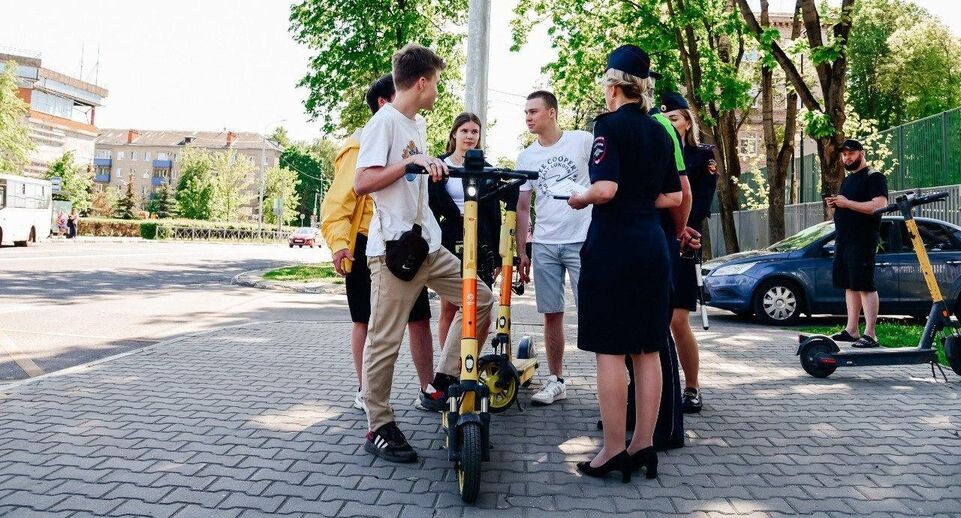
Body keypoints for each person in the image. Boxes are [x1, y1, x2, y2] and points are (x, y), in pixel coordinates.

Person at [354, 43, 495, 464]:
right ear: (421, 82)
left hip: (428, 247)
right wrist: (413, 165)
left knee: (481, 299)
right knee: (385, 341)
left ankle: (443, 380)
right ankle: (378, 425)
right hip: (395, 252)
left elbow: (414, 179)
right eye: (435, 82)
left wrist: (431, 166)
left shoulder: (415, 125)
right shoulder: (384, 123)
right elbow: (362, 182)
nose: (436, 90)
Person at [568, 44, 682, 482]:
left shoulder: (608, 125)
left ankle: (614, 449)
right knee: (648, 348)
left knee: (611, 350)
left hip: (614, 246)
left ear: (614, 87)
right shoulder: (660, 131)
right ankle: (643, 445)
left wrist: (581, 196)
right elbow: (673, 196)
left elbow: (606, 188)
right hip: (652, 246)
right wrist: (639, 197)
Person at [320, 73, 436, 414]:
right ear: (386, 103)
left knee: (419, 319)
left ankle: (428, 387)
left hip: (405, 244)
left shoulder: (408, 137)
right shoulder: (359, 146)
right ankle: (364, 390)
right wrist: (340, 245)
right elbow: (338, 204)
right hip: (364, 244)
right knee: (365, 321)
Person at [515, 90, 594, 406]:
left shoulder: (582, 141)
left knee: (595, 312)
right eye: (526, 113)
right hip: (546, 243)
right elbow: (523, 208)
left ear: (551, 112)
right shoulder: (526, 157)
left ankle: (613, 380)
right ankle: (556, 380)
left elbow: (605, 181)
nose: (528, 117)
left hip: (583, 239)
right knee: (551, 315)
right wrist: (523, 251)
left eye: (533, 111)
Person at [426, 113, 500, 393]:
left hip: (479, 242)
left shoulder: (487, 170)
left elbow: (494, 214)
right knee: (451, 306)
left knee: (482, 305)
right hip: (449, 238)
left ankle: (467, 365)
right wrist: (455, 214)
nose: (470, 136)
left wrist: (497, 255)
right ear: (454, 134)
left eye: (475, 132)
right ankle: (447, 371)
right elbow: (432, 204)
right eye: (465, 131)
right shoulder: (438, 166)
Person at [662, 92, 718, 413]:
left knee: (678, 320)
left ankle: (692, 387)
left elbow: (699, 202)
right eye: (664, 118)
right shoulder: (657, 153)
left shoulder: (702, 156)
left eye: (674, 118)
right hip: (657, 244)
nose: (669, 124)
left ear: (686, 121)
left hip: (686, 242)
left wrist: (685, 232)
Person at [826, 139, 889, 348]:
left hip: (862, 240)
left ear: (862, 153)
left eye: (851, 153)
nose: (847, 157)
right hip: (844, 240)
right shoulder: (848, 180)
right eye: (844, 154)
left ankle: (870, 334)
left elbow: (879, 206)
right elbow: (848, 206)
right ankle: (851, 330)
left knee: (864, 284)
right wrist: (837, 205)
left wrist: (847, 203)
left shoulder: (874, 177)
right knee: (849, 284)